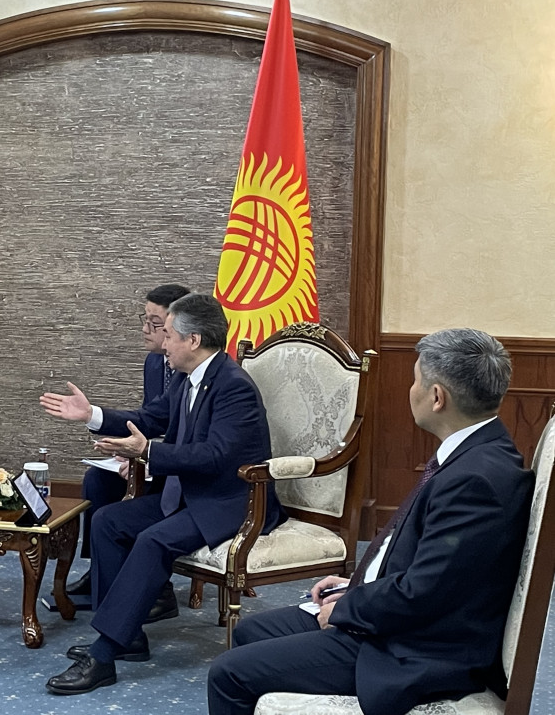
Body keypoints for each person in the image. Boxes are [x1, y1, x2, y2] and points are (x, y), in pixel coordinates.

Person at [207, 328, 534, 715]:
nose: (410, 389)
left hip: (415, 647)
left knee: (227, 674)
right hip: (405, 615)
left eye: (415, 380)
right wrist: (357, 585)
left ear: (436, 397)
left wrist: (349, 608)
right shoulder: (478, 453)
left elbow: (424, 592)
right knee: (250, 630)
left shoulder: (476, 480)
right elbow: (438, 565)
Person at [40, 293, 287, 695]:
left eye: (169, 334)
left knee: (154, 539)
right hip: (192, 495)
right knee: (108, 521)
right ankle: (129, 635)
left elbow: (215, 456)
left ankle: (104, 654)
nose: (163, 342)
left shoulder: (233, 387)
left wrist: (149, 451)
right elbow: (149, 418)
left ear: (193, 340)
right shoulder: (187, 379)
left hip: (231, 502)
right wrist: (92, 415)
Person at [69, 283, 191, 609]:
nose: (145, 329)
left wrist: (146, 457)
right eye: (146, 319)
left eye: (155, 323)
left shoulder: (200, 373)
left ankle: (157, 589)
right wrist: (93, 416)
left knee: (115, 513)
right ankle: (100, 572)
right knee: (97, 479)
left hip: (180, 465)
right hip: (156, 454)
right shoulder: (154, 363)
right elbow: (150, 418)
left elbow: (190, 438)